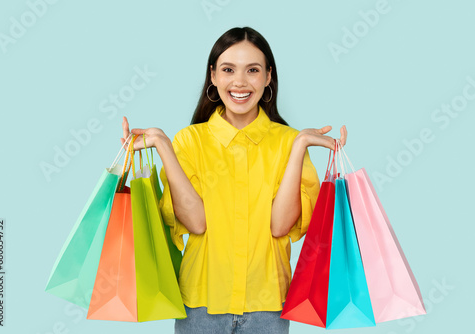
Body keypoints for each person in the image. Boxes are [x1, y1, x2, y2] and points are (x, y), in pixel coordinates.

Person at [121, 27, 347, 334]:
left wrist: (297, 149)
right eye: (228, 70)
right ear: (213, 76)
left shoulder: (288, 142)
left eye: (253, 70)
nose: (240, 82)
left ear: (268, 77)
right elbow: (196, 223)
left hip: (267, 307)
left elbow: (280, 226)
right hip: (200, 306)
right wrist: (162, 144)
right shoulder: (189, 141)